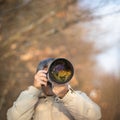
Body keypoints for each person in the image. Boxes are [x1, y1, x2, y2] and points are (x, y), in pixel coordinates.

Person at [7, 58, 102, 120]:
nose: (51, 77)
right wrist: (34, 89)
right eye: (46, 73)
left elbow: (94, 117)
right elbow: (13, 118)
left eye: (56, 73)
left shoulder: (75, 96)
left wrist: (66, 95)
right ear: (38, 75)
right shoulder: (32, 100)